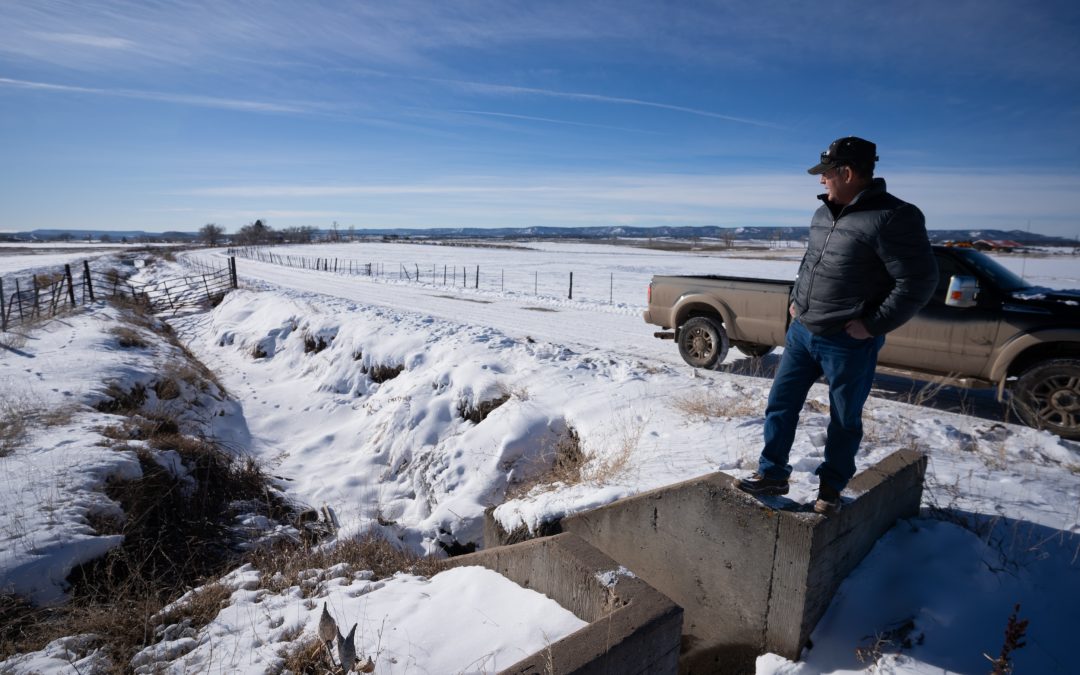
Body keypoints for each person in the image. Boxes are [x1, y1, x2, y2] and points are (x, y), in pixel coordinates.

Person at [736, 136, 937, 515]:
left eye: (826, 174)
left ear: (846, 172)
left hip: (847, 341)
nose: (821, 181)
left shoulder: (895, 216)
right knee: (780, 405)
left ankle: (830, 490)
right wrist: (795, 302)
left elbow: (918, 282)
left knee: (844, 419)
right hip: (803, 333)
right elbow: (809, 263)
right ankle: (772, 473)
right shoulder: (822, 213)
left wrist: (873, 325)